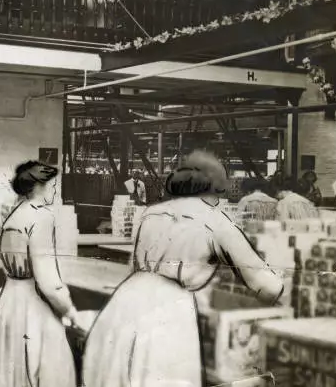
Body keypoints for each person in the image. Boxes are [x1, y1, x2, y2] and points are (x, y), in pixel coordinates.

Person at [82, 150, 283, 387]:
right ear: (211, 190)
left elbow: (134, 264)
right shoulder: (216, 221)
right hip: (167, 310)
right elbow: (267, 286)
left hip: (125, 300)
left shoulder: (149, 213)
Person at [0, 161, 79, 387]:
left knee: (13, 372)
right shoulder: (42, 216)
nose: (55, 191)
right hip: (34, 303)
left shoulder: (14, 214)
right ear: (40, 186)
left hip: (10, 300)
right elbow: (47, 279)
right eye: (53, 185)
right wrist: (68, 309)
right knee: (48, 371)